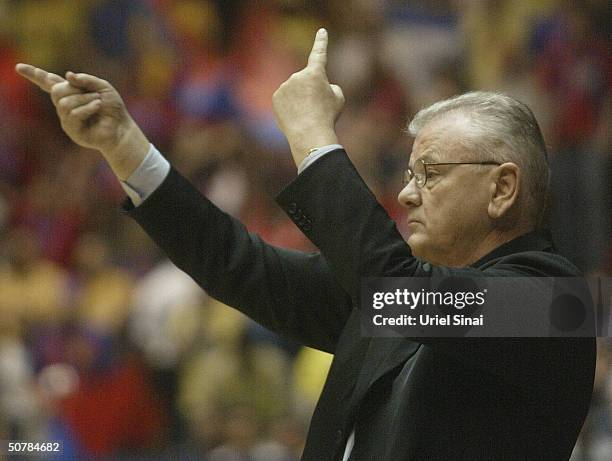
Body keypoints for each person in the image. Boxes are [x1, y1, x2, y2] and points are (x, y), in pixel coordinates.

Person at [16, 29, 595, 460]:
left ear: (502, 188)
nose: (407, 193)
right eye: (410, 173)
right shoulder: (392, 301)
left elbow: (406, 292)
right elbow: (240, 266)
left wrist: (315, 140)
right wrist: (125, 149)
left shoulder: (552, 305)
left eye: (430, 173)